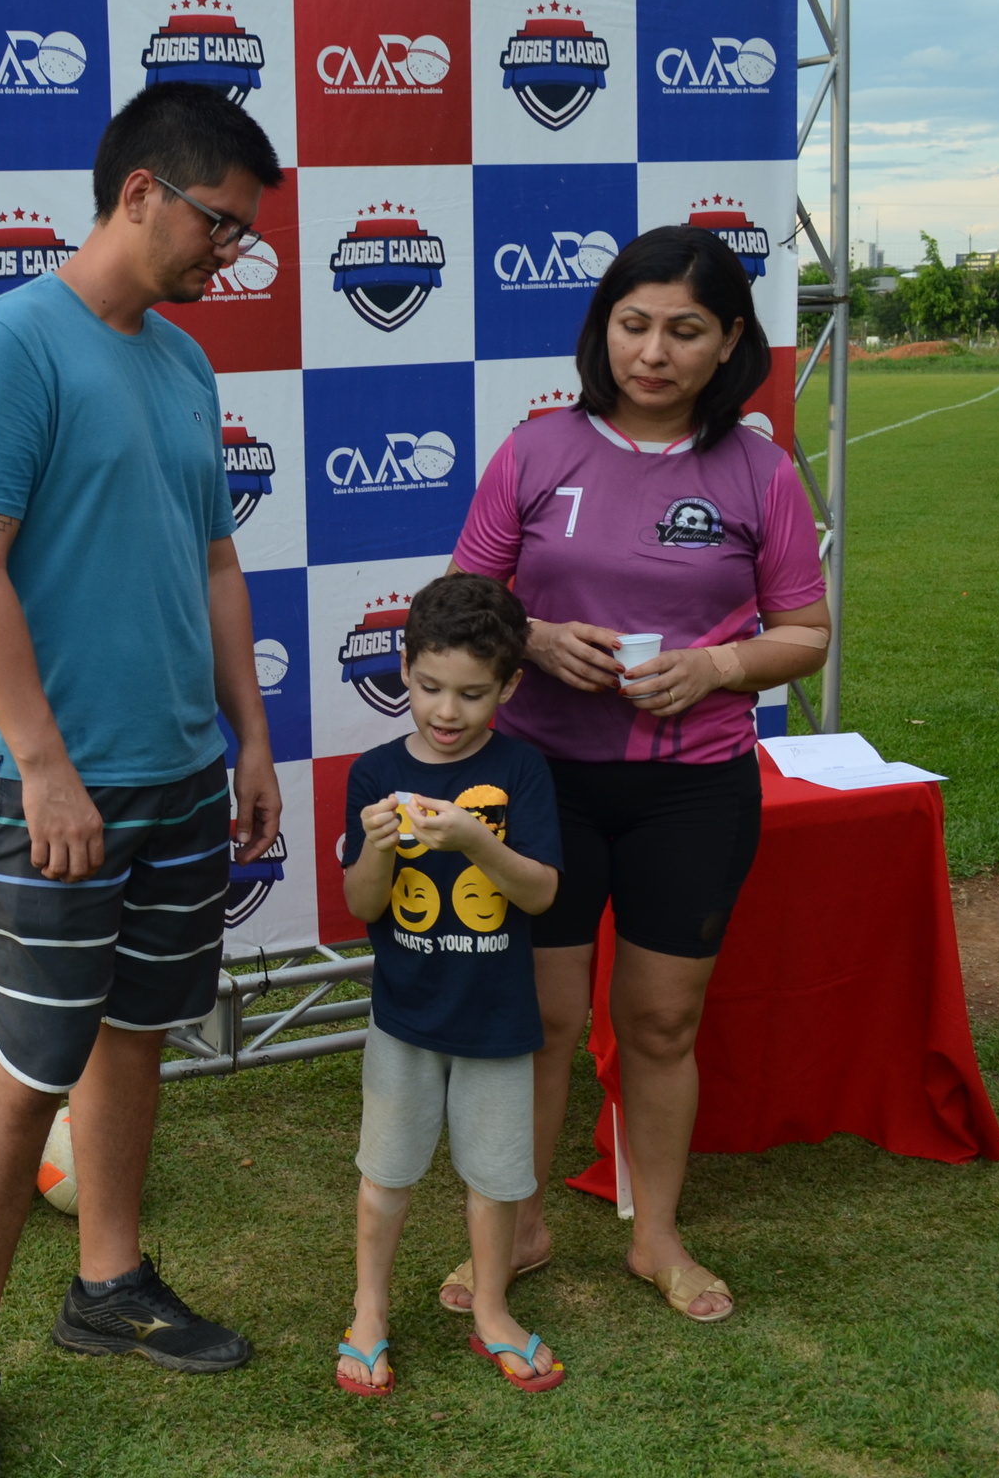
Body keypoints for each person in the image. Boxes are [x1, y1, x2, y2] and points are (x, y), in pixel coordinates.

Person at [0, 83, 284, 1478]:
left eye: (243, 234)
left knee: (136, 1036)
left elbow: (215, 561)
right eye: (220, 224)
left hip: (183, 773)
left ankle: (108, 1286)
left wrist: (249, 738)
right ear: (139, 193)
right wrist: (46, 768)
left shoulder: (182, 360)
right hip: (56, 792)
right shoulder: (12, 343)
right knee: (24, 1066)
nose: (230, 253)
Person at [441, 224, 831, 1325]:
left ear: (730, 344)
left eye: (685, 331)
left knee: (661, 1023)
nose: (653, 352)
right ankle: (516, 1226)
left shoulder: (759, 469)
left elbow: (806, 634)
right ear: (601, 328)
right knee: (541, 1019)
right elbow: (462, 607)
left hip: (692, 789)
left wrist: (717, 667)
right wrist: (531, 637)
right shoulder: (535, 451)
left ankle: (654, 1235)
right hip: (544, 785)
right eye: (634, 324)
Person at [338, 573, 566, 1397]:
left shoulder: (522, 769)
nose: (446, 710)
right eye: (431, 686)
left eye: (472, 694)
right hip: (403, 1018)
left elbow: (540, 893)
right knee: (385, 1175)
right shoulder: (373, 774)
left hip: (498, 1021)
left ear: (509, 686)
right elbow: (362, 904)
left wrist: (476, 839)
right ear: (404, 668)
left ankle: (493, 1310)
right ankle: (368, 1310)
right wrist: (376, 848)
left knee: (498, 1180)